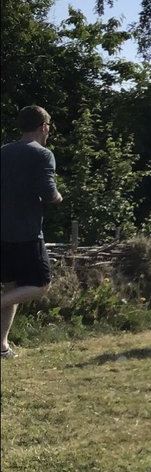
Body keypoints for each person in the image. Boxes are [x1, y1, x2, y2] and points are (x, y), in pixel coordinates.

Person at [1, 106, 63, 359]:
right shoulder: (43, 155)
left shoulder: (3, 152)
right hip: (26, 233)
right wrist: (58, 196)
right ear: (43, 127)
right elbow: (49, 193)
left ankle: (1, 346)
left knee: (11, 288)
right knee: (40, 285)